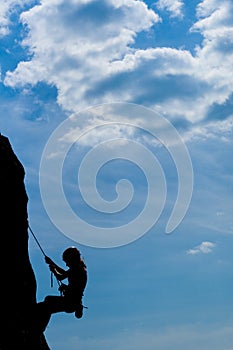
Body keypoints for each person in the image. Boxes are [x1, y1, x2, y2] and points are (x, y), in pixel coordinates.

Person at [36, 246, 87, 332]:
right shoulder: (79, 269)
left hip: (70, 302)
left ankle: (40, 329)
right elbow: (65, 273)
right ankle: (40, 328)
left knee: (47, 304)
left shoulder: (76, 270)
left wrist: (54, 270)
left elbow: (61, 276)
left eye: (67, 262)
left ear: (72, 259)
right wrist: (52, 263)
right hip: (72, 301)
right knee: (48, 301)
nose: (66, 264)